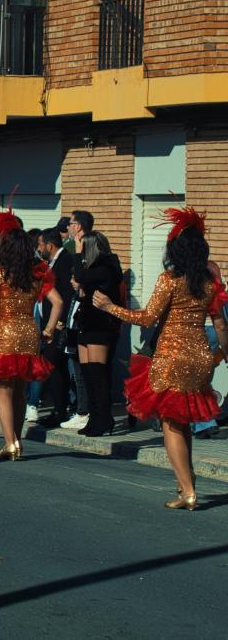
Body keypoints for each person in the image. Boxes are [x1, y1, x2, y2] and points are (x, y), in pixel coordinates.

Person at [93, 207, 227, 509]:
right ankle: (185, 484)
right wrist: (225, 354)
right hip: (200, 357)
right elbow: (220, 324)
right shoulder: (209, 282)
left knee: (171, 423)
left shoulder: (169, 279)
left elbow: (148, 318)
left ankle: (188, 490)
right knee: (185, 421)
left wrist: (109, 307)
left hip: (172, 356)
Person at [0, 211, 64, 461]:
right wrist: (48, 328)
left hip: (5, 333)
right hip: (29, 334)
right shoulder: (36, 273)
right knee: (21, 390)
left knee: (2, 390)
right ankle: (18, 440)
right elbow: (58, 302)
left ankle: (10, 442)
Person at [71, 231, 123, 437]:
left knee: (98, 374)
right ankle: (95, 417)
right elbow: (83, 284)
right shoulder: (93, 268)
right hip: (86, 321)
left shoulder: (107, 266)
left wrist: (76, 255)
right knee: (87, 373)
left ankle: (104, 418)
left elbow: (81, 276)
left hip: (100, 325)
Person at [33, 228, 73, 428]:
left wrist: (60, 321)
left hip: (57, 324)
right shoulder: (51, 262)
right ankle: (59, 407)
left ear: (49, 245)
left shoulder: (65, 261)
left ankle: (60, 409)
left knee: (54, 366)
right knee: (55, 368)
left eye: (40, 244)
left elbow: (65, 294)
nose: (39, 248)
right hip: (48, 321)